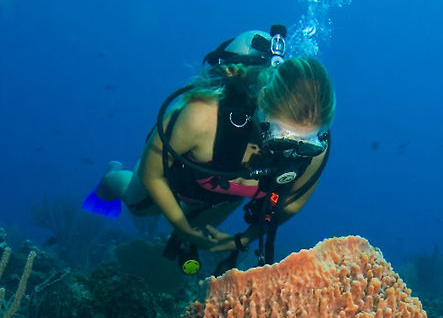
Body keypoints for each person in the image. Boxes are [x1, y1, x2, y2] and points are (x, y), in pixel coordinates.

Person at [86, 27, 335, 273]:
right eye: (282, 139)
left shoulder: (316, 150)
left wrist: (242, 239)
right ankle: (111, 176)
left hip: (223, 193)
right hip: (181, 172)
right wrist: (181, 226)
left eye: (306, 143)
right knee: (139, 206)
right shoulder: (202, 117)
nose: (291, 152)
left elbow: (290, 204)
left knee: (196, 234)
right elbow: (153, 174)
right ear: (262, 103)